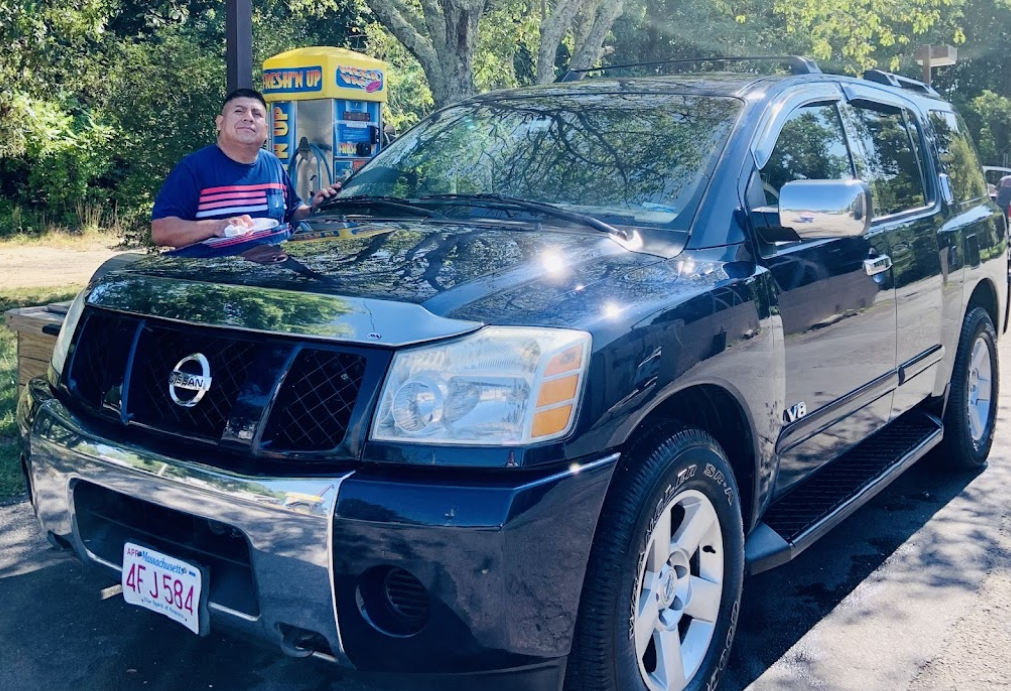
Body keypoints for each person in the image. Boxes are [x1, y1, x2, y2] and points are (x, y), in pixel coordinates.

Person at [150, 88, 340, 248]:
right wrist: (216, 227)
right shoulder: (194, 168)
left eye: (256, 114)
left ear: (266, 130)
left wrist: (314, 207)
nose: (248, 118)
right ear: (220, 122)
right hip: (217, 283)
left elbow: (292, 212)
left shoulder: (272, 164)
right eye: (239, 111)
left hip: (273, 278)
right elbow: (162, 231)